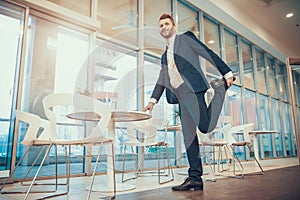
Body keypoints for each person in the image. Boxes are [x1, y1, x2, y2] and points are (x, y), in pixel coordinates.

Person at [142, 13, 235, 191]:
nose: (164, 27)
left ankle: (220, 89)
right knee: (189, 138)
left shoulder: (185, 39)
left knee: (205, 127)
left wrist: (226, 72)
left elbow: (207, 53)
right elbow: (162, 79)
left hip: (192, 89)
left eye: (166, 23)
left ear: (174, 26)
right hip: (179, 97)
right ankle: (195, 178)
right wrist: (152, 101)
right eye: (161, 25)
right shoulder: (164, 56)